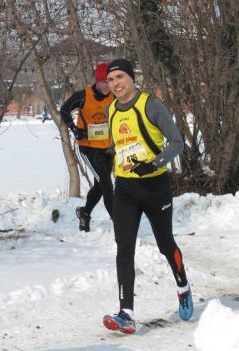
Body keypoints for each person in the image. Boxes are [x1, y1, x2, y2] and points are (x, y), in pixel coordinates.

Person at [102, 58, 193, 334]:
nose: (115, 84)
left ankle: (183, 286)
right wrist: (104, 155)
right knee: (124, 248)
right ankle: (126, 313)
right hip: (126, 190)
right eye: (111, 79)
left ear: (131, 78)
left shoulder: (150, 105)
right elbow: (120, 146)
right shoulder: (111, 112)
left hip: (155, 187)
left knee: (165, 244)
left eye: (120, 77)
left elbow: (177, 142)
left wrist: (153, 164)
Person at [60, 63, 114, 232]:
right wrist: (75, 130)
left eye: (110, 81)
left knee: (100, 184)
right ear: (98, 81)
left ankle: (84, 213)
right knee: (106, 184)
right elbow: (64, 110)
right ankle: (119, 223)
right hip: (88, 148)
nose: (108, 86)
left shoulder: (114, 97)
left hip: (107, 148)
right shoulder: (83, 95)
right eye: (105, 82)